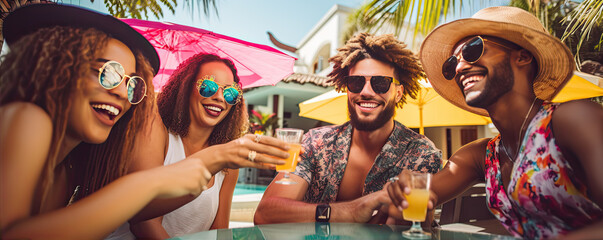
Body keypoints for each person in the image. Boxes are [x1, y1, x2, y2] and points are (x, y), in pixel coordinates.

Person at [0, 4, 215, 239]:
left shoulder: (73, 161)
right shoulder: (28, 117)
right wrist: (151, 182)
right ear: (56, 65)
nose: (123, 94)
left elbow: (131, 211)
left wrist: (205, 169)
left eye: (132, 84)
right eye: (108, 73)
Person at [387, 6, 603, 239]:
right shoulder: (482, 156)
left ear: (522, 55)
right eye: (452, 63)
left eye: (473, 50)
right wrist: (404, 192)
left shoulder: (574, 119)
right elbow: (416, 200)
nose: (459, 68)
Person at [254, 33, 442, 225]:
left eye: (380, 83)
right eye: (356, 82)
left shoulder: (419, 152)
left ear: (399, 92)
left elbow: (411, 227)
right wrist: (351, 211)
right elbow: (265, 214)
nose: (366, 92)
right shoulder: (317, 143)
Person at [113, 53, 290, 239]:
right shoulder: (158, 133)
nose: (220, 98)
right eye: (208, 87)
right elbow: (144, 223)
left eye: (230, 93)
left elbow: (220, 231)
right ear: (186, 87)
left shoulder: (228, 164)